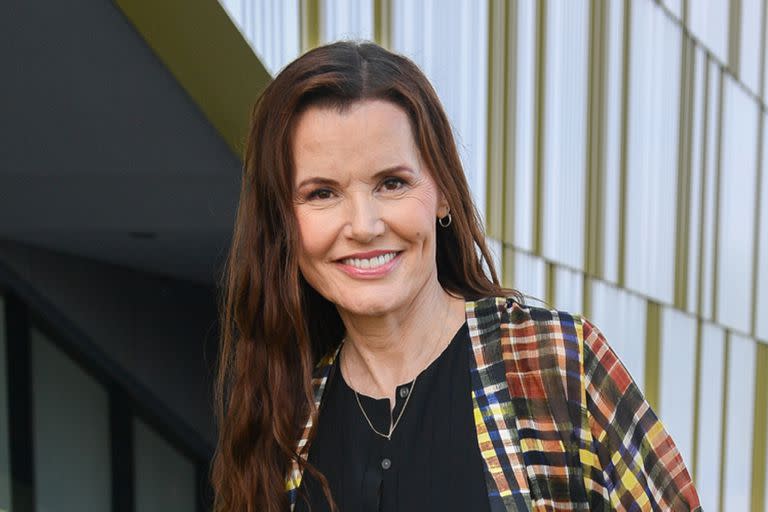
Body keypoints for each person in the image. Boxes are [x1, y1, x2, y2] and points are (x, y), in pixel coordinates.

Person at [211, 41, 701, 512]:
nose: (364, 226)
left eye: (392, 183)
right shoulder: (285, 417)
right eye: (321, 193)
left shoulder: (554, 363)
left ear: (442, 192)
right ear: (283, 222)